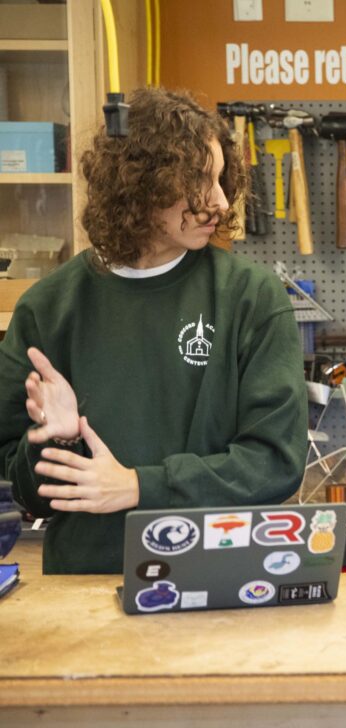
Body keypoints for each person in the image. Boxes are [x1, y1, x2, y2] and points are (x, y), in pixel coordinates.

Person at [0, 87, 309, 574]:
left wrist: (141, 486)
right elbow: (22, 491)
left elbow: (276, 463)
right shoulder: (49, 308)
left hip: (221, 579)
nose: (221, 201)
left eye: (220, 179)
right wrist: (52, 440)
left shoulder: (250, 298)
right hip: (86, 588)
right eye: (201, 182)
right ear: (143, 185)